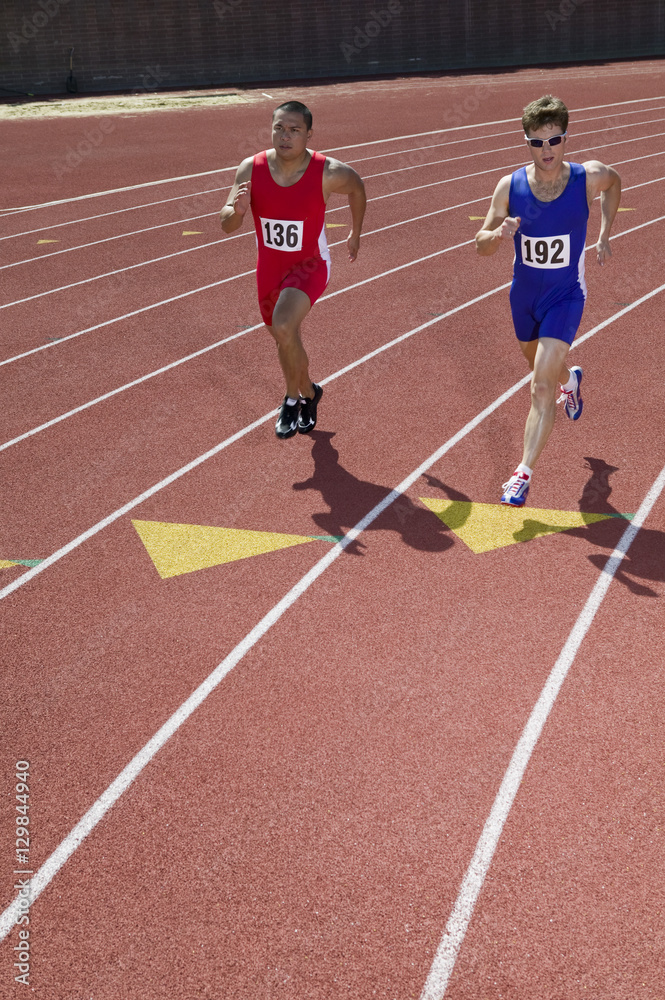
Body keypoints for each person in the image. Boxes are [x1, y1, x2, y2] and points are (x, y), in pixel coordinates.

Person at [476, 95, 621, 506]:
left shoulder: (587, 178)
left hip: (566, 296)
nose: (547, 151)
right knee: (543, 369)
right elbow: (480, 245)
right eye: (537, 143)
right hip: (524, 299)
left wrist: (605, 232)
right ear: (527, 142)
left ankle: (522, 474)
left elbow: (615, 183)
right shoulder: (511, 186)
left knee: (540, 385)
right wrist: (498, 234)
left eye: (554, 141)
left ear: (565, 138)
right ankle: (571, 382)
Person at [220, 100, 366, 438]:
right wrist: (238, 212)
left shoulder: (327, 172)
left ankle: (290, 400)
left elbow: (357, 186)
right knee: (285, 339)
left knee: (284, 325)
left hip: (310, 265)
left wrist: (355, 232)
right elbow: (226, 224)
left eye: (294, 130)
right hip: (269, 269)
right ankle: (311, 393)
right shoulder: (250, 169)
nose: (285, 136)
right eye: (279, 128)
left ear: (309, 134)